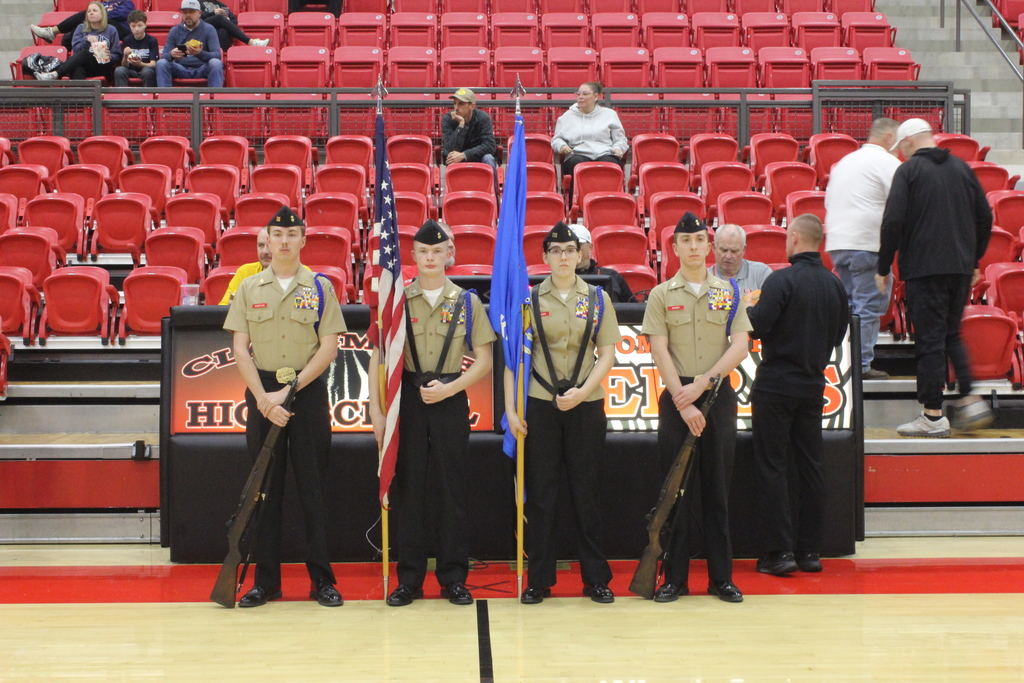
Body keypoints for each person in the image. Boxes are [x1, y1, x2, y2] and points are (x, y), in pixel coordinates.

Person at [222, 206, 346, 608]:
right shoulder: (248, 288)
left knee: (314, 491)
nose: (285, 241)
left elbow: (329, 347)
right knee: (265, 493)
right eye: (277, 235)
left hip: (305, 394)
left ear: (303, 240)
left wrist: (287, 392)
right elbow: (239, 349)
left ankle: (322, 581)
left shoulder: (321, 288)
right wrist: (263, 397)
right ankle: (266, 583)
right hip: (262, 394)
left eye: (292, 235)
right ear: (268, 241)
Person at [368, 221, 496, 607]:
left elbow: (485, 360)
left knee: (450, 490)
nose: (429, 258)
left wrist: (451, 388)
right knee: (410, 491)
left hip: (450, 398)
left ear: (448, 255)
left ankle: (454, 577)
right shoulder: (397, 301)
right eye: (423, 252)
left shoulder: (466, 302)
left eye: (437, 252)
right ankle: (409, 579)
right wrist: (375, 411)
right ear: (413, 257)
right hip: (406, 398)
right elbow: (378, 357)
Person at [505, 221, 620, 605]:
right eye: (555, 251)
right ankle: (539, 579)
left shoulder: (598, 299)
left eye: (569, 250)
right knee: (542, 494)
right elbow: (513, 362)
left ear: (580, 254)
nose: (563, 257)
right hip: (541, 404)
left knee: (586, 494)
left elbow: (608, 355)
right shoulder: (530, 301)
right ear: (544, 258)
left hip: (586, 405)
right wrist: (512, 409)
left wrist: (583, 392)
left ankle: (596, 578)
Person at [641, 211, 750, 604]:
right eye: (685, 241)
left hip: (717, 396)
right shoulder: (660, 294)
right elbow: (658, 349)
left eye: (699, 240)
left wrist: (703, 384)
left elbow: (740, 345)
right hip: (677, 400)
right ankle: (675, 579)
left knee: (718, 490)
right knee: (676, 494)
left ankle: (722, 578)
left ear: (708, 246)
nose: (693, 247)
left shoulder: (728, 291)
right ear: (673, 248)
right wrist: (683, 399)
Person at [877, 118, 994, 437]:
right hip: (959, 269)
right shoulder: (961, 168)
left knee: (929, 341)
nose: (901, 153)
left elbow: (893, 222)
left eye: (901, 147)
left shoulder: (909, 171)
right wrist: (973, 260)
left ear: (909, 142)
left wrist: (883, 265)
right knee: (950, 334)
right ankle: (971, 399)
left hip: (924, 269)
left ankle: (931, 415)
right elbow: (985, 217)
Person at [747, 214, 849, 576]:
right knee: (811, 466)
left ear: (793, 238)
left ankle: (779, 553)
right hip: (813, 384)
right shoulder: (836, 286)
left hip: (776, 384)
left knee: (773, 467)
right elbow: (839, 337)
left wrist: (748, 307)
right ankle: (809, 552)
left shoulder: (780, 281)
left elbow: (756, 327)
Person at [825, 118, 902, 381]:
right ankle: (861, 365)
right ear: (890, 137)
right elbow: (903, 200)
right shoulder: (887, 162)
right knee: (868, 305)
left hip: (839, 243)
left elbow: (828, 200)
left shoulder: (845, 162)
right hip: (867, 244)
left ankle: (845, 361)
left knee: (848, 305)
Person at [551, 82, 628, 203]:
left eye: (585, 94)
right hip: (577, 153)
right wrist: (562, 146)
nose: (580, 97)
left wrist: (618, 148)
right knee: (577, 163)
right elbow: (556, 139)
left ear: (596, 97)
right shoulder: (567, 116)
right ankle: (575, 204)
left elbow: (620, 139)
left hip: (605, 152)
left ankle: (610, 202)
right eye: (578, 94)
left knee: (611, 163)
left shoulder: (610, 115)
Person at [34, 2, 122, 82]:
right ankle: (80, 97)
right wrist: (86, 41)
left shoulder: (111, 29)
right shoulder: (81, 28)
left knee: (84, 55)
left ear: (102, 14)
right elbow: (76, 51)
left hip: (102, 66)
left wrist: (109, 55)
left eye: (95, 11)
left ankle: (56, 74)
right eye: (89, 11)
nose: (91, 13)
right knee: (78, 68)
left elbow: (117, 55)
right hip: (85, 65)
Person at [441, 88, 499, 195]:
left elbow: (490, 146)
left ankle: (495, 200)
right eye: (455, 103)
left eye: (461, 104)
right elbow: (450, 149)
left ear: (472, 106)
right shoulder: (448, 119)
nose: (456, 108)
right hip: (456, 160)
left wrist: (464, 154)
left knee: (489, 158)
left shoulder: (483, 118)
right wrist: (461, 126)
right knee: (451, 159)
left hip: (478, 159)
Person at [155, 0, 224, 89]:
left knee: (216, 63)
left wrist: (200, 53)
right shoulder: (175, 30)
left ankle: (215, 99)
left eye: (191, 12)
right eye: (185, 12)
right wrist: (172, 55)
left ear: (199, 13)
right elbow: (164, 56)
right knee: (161, 63)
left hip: (202, 68)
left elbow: (217, 55)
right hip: (180, 68)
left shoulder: (209, 29)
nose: (188, 15)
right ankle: (165, 99)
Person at [32, 0, 134, 52]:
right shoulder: (103, 4)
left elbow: (122, 14)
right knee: (76, 28)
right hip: (99, 28)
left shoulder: (127, 2)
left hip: (119, 30)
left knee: (86, 14)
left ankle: (52, 32)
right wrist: (97, 14)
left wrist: (100, 14)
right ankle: (66, 54)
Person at [567, 225, 634, 303]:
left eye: (578, 244)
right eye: (569, 246)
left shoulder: (612, 276)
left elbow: (632, 310)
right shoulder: (554, 280)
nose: (573, 249)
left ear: (590, 248)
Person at [708, 224, 772, 303]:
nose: (728, 256)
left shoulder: (761, 273)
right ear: (714, 247)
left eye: (734, 251)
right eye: (724, 250)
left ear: (743, 250)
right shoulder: (703, 278)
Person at [219, 227, 272, 304]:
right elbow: (222, 307)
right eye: (260, 245)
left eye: (270, 245)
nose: (265, 251)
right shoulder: (245, 272)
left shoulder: (293, 275)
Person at [198, 0, 269, 50]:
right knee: (219, 18)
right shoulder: (198, 2)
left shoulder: (221, 5)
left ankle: (221, 57)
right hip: (202, 29)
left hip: (217, 35)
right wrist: (213, 13)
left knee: (223, 31)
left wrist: (227, 20)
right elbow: (197, 17)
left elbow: (234, 21)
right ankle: (251, 42)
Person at [114, 10, 157, 88]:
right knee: (119, 70)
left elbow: (153, 64)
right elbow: (124, 65)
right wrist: (125, 56)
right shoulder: (126, 40)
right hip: (131, 70)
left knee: (148, 72)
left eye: (139, 25)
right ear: (129, 26)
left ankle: (148, 97)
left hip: (145, 69)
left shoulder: (152, 41)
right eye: (133, 26)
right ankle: (122, 97)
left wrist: (140, 64)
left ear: (145, 25)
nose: (137, 29)